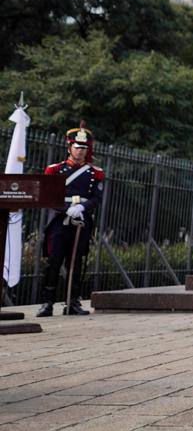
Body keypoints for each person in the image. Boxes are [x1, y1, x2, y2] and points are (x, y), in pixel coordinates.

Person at [38, 126, 104, 317]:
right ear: (69, 147)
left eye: (84, 147)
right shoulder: (55, 170)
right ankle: (47, 302)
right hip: (60, 220)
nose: (80, 150)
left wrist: (82, 208)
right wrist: (67, 210)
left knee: (76, 262)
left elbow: (96, 198)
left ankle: (72, 301)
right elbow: (48, 196)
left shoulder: (95, 172)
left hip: (82, 220)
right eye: (76, 147)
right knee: (54, 261)